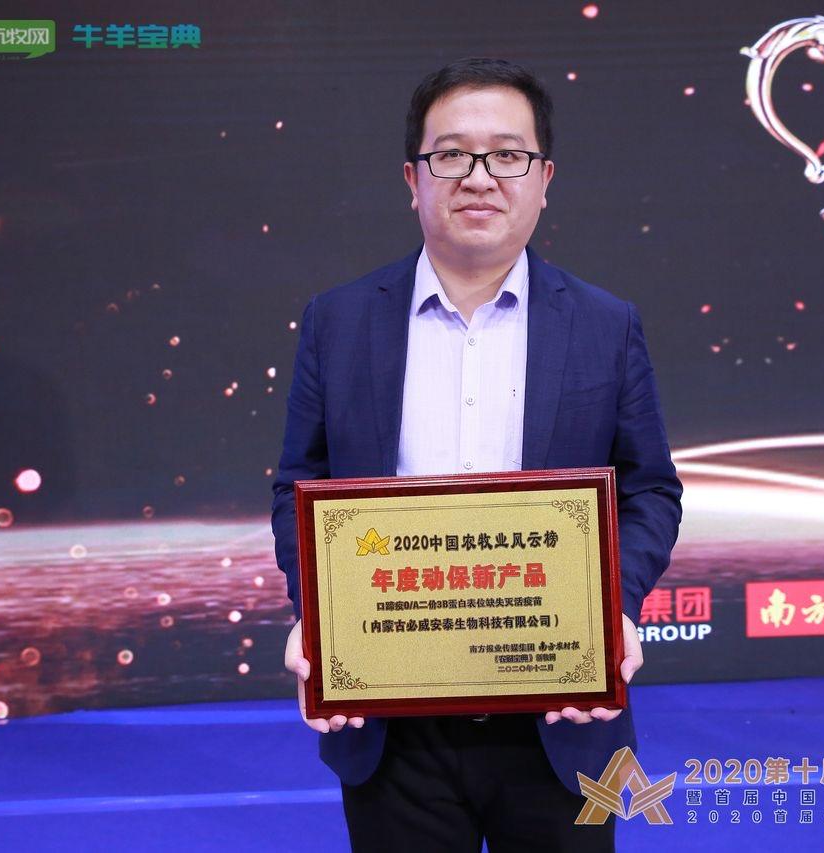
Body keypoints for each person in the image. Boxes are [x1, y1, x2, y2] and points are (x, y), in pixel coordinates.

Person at [271, 57, 682, 852]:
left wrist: (614, 608)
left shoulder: (605, 323)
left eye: (508, 154)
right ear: (413, 178)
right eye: (452, 154)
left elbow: (650, 491)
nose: (479, 176)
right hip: (392, 718)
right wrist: (318, 614)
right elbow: (300, 484)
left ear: (544, 178)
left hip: (559, 713)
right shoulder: (339, 321)